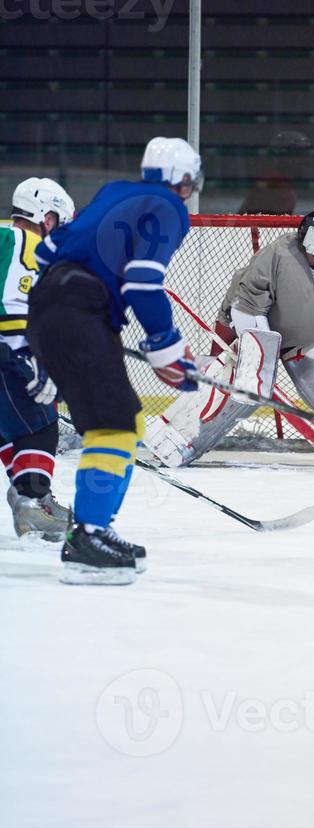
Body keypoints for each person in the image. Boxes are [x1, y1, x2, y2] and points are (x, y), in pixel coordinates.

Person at [27, 137, 202, 585]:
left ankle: (97, 528)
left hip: (53, 307)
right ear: (185, 180)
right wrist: (167, 347)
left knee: (129, 422)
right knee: (115, 427)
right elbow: (143, 283)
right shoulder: (169, 206)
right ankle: (87, 538)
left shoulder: (111, 193)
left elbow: (46, 253)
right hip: (79, 310)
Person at [145, 208, 314, 472]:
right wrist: (258, 355)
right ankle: (174, 440)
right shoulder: (278, 256)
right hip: (255, 329)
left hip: (306, 340)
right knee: (240, 386)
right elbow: (246, 305)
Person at [0, 177, 75, 541]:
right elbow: (14, 309)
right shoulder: (22, 241)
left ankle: (34, 497)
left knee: (9, 426)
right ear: (46, 217)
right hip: (5, 349)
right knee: (40, 422)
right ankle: (30, 502)